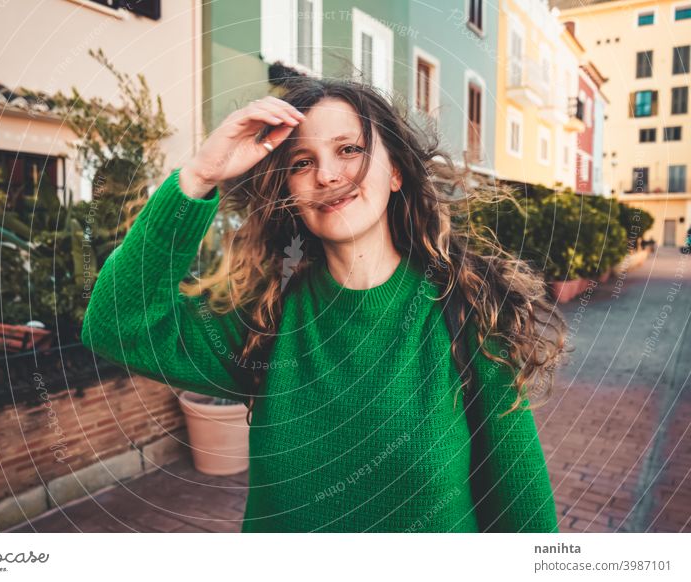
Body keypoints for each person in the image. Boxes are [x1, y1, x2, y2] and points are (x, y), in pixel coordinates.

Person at [81, 77, 568, 533]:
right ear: (289, 190)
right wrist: (199, 174)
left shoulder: (464, 313)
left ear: (395, 170)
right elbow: (115, 325)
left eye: (349, 150)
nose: (327, 175)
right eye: (301, 162)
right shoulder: (266, 318)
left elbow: (523, 515)